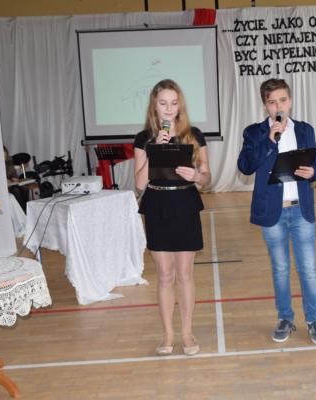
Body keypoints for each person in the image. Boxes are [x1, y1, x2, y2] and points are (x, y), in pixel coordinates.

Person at [237, 78, 316, 345]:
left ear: (290, 101)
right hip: (273, 212)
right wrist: (269, 140)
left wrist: (314, 172)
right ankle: (285, 318)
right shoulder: (254, 132)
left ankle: (314, 320)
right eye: (272, 102)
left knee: (308, 269)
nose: (279, 106)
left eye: (283, 100)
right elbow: (245, 166)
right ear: (265, 105)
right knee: (280, 269)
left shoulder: (305, 130)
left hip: (301, 210)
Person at [133, 79, 211, 356]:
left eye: (173, 103)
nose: (168, 108)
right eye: (163, 103)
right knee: (165, 276)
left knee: (185, 274)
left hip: (185, 204)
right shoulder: (144, 139)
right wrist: (154, 150)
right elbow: (139, 184)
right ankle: (168, 334)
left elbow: (207, 179)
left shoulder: (194, 135)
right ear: (154, 106)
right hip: (157, 205)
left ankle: (187, 333)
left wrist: (197, 175)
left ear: (180, 105)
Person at [4, 146, 29, 212]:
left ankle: (26, 208)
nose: (4, 158)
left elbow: (13, 173)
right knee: (16, 190)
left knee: (25, 188)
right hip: (6, 185)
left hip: (12, 183)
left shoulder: (9, 161)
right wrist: (8, 179)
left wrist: (14, 178)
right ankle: (21, 210)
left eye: (5, 156)